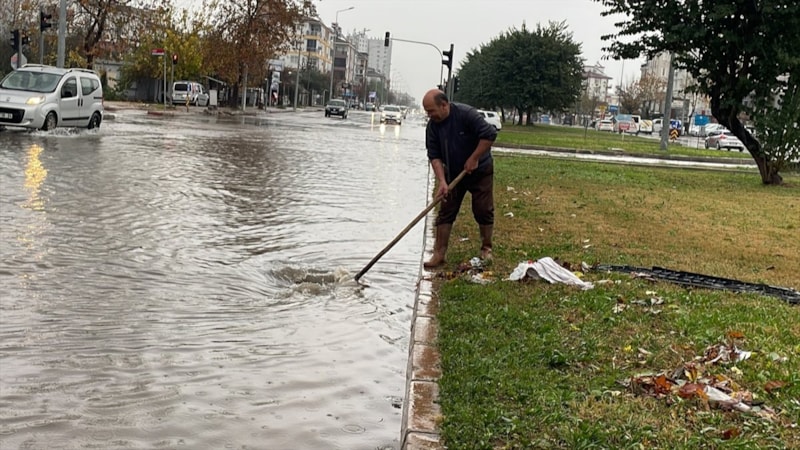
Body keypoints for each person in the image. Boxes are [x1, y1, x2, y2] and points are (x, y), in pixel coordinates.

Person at [421, 89, 497, 268]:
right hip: (454, 172)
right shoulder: (432, 126)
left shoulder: (466, 114)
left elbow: (489, 135)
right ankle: (439, 253)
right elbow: (434, 156)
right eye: (427, 111)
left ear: (444, 105)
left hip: (480, 170)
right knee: (446, 211)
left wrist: (474, 158)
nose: (429, 115)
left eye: (431, 111)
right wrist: (442, 181)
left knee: (483, 209)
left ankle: (486, 248)